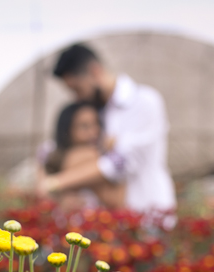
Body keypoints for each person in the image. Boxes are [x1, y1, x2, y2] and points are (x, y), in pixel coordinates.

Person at [38, 43, 176, 214]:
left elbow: (121, 163)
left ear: (95, 71)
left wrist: (57, 182)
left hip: (147, 211)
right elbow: (53, 148)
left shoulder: (144, 101)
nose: (76, 97)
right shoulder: (97, 111)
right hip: (111, 218)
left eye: (77, 89)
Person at [39, 101, 125, 211]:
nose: (93, 132)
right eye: (84, 126)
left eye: (96, 124)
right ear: (67, 129)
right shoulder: (51, 152)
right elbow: (41, 192)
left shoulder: (99, 155)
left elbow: (116, 201)